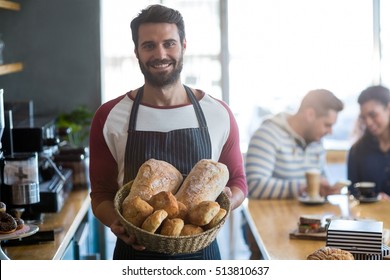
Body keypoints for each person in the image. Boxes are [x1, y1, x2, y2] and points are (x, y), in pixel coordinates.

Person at [89, 4, 247, 260]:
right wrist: (117, 225)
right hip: (134, 253)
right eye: (149, 45)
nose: (160, 54)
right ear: (136, 52)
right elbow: (102, 193)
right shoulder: (109, 116)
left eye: (169, 43)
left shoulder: (218, 113)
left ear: (184, 45)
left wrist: (229, 199)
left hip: (202, 255)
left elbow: (238, 181)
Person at [245, 89, 344, 199]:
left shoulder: (317, 143)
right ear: (310, 114)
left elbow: (321, 181)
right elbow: (254, 186)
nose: (330, 132)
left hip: (308, 215)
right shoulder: (267, 135)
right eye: (327, 125)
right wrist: (304, 187)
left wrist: (326, 188)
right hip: (271, 215)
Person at [347, 85, 390, 200]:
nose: (368, 123)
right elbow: (352, 192)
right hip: (369, 217)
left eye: (373, 115)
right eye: (363, 118)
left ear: (388, 108)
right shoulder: (357, 151)